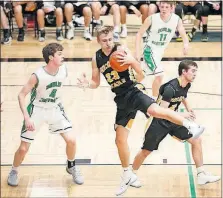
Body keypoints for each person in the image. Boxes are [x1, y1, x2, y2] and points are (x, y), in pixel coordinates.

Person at [77, 26, 204, 196]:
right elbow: (96, 82)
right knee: (120, 140)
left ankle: (190, 125)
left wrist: (133, 62)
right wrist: (88, 85)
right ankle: (127, 174)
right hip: (121, 99)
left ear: (113, 39)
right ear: (98, 41)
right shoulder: (96, 58)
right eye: (104, 41)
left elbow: (141, 75)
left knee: (157, 111)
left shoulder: (121, 50)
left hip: (133, 91)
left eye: (109, 40)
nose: (107, 44)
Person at [132, 60, 221, 186]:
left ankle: (201, 174)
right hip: (158, 122)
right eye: (193, 71)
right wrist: (183, 114)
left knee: (196, 140)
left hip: (173, 120)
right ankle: (130, 175)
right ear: (184, 72)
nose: (195, 74)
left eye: (196, 71)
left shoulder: (186, 84)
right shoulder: (170, 88)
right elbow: (162, 111)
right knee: (146, 150)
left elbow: (183, 96)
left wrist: (188, 107)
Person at [7, 43, 84, 187]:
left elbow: (75, 79)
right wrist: (27, 117)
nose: (63, 56)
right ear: (50, 57)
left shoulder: (64, 70)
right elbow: (21, 95)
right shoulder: (37, 75)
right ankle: (14, 170)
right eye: (59, 54)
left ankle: (71, 166)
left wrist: (84, 82)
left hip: (55, 108)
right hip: (37, 110)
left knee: (71, 140)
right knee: (23, 148)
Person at [135, 1, 189, 98]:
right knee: (159, 75)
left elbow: (183, 33)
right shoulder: (151, 18)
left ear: (172, 8)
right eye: (162, 6)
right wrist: (138, 52)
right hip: (149, 50)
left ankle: (128, 87)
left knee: (142, 75)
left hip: (160, 51)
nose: (163, 9)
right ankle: (155, 100)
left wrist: (186, 44)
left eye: (166, 7)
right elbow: (139, 34)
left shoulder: (176, 19)